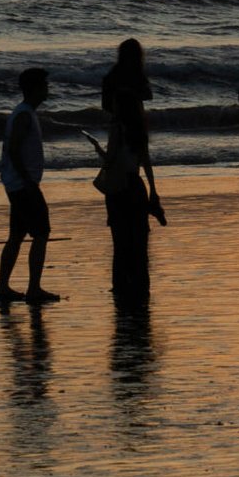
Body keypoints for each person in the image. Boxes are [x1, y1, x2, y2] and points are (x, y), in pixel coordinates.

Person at [101, 39, 166, 301]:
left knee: (120, 241)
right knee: (138, 241)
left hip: (119, 186)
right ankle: (139, 287)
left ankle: (121, 288)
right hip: (135, 183)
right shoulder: (138, 128)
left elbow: (106, 104)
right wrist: (153, 191)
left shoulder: (112, 79)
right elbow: (146, 161)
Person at [0, 68, 58, 305]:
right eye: (44, 85)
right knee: (41, 233)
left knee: (17, 235)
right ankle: (34, 289)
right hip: (23, 185)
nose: (47, 89)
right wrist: (28, 181)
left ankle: (3, 287)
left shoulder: (25, 112)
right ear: (35, 88)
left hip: (17, 184)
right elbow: (14, 150)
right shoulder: (23, 115)